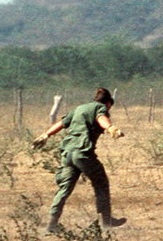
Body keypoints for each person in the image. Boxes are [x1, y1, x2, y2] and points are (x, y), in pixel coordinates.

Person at [33, 87, 127, 233]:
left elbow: (61, 123)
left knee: (65, 188)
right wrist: (110, 128)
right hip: (82, 153)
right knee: (101, 183)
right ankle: (106, 221)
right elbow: (101, 118)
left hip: (67, 153)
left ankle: (51, 224)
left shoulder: (80, 108)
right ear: (108, 103)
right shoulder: (100, 108)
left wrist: (45, 134)